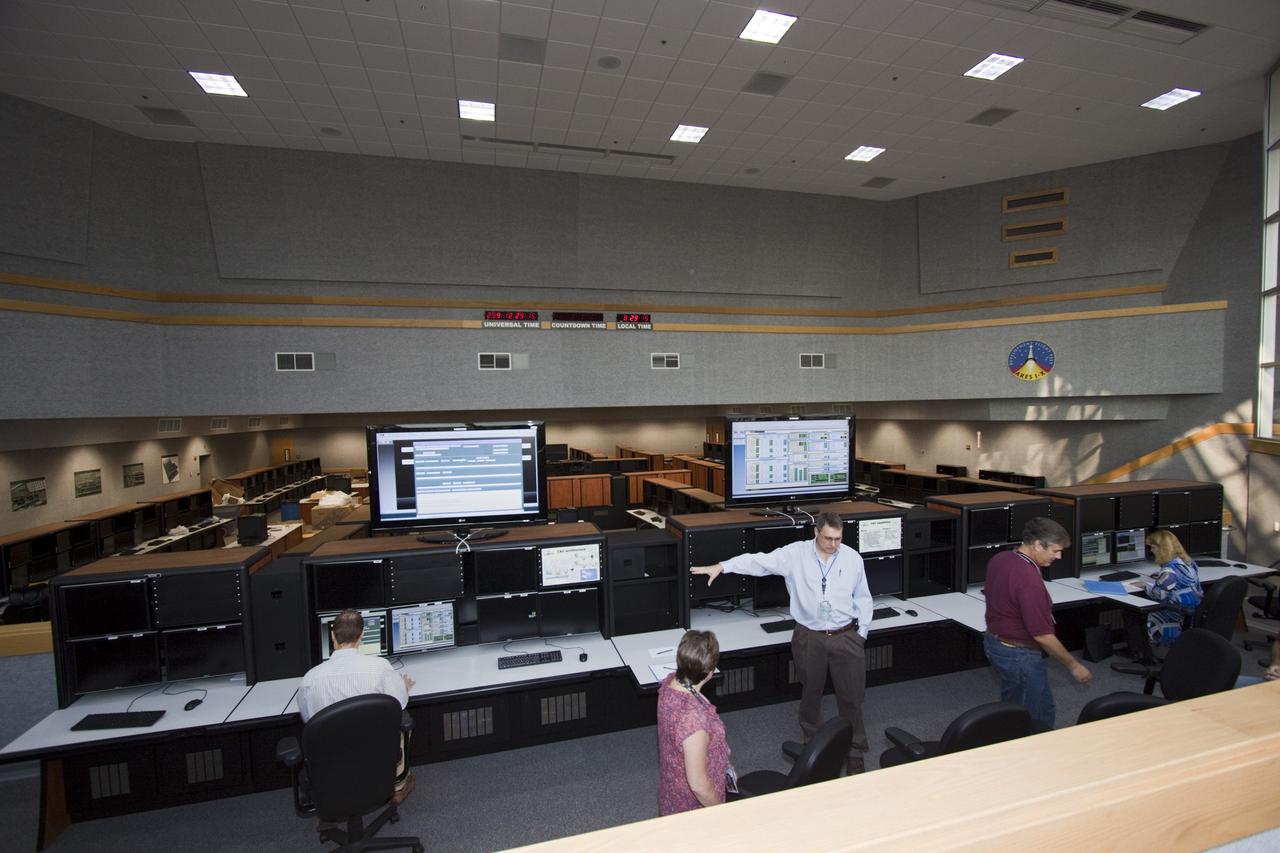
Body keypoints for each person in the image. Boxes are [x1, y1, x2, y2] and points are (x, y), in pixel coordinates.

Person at [690, 511, 873, 774]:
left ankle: (855, 749)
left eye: (838, 539)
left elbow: (864, 598)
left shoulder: (852, 558)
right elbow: (759, 562)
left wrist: (861, 634)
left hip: (846, 636)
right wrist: (723, 566)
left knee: (852, 698)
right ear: (816, 533)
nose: (834, 545)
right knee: (811, 694)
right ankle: (814, 745)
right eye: (828, 539)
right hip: (809, 637)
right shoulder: (795, 555)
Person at [983, 516, 1091, 732]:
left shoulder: (1002, 558)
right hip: (1020, 655)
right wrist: (1074, 665)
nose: (1059, 556)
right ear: (1037, 545)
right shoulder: (1028, 581)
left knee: (1030, 705)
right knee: (1027, 716)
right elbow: (1042, 635)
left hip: (995, 644)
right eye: (1055, 551)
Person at [297, 609, 417, 803]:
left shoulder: (310, 679)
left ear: (333, 636)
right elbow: (398, 704)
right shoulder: (380, 667)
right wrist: (402, 686)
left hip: (331, 759)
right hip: (373, 751)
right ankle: (397, 787)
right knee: (401, 723)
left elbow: (308, 720)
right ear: (362, 636)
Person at [656, 629, 733, 815]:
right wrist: (723, 812)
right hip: (693, 808)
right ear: (709, 673)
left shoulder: (670, 684)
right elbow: (698, 785)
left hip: (671, 790)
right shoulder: (693, 722)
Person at [1139, 528, 1204, 649]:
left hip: (1172, 617)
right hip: (1190, 614)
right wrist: (1161, 577)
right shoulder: (1188, 563)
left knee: (1133, 612)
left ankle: (1143, 656)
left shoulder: (1169, 572)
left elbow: (1157, 595)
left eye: (1153, 547)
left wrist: (1145, 585)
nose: (1151, 551)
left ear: (1162, 549)